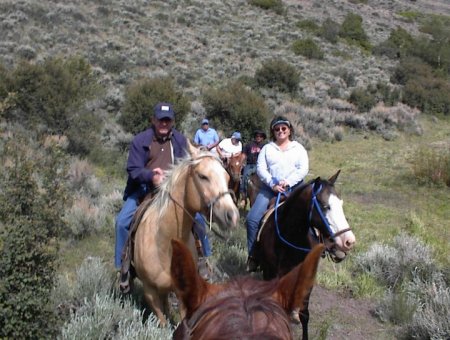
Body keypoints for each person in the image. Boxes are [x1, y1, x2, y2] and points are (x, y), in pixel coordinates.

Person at [115, 102, 187, 270]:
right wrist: (151, 176)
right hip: (144, 190)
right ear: (153, 120)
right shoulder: (141, 140)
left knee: (197, 220)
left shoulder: (180, 140)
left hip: (172, 191)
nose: (164, 124)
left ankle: (202, 260)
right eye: (161, 120)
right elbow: (133, 169)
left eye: (167, 120)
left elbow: (186, 166)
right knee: (121, 223)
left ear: (173, 122)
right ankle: (123, 266)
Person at [245, 116, 309, 272]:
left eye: (283, 128)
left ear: (289, 130)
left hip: (294, 188)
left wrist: (288, 182)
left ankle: (319, 250)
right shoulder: (267, 148)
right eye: (277, 129)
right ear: (273, 132)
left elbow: (303, 169)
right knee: (252, 220)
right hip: (269, 189)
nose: (280, 131)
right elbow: (261, 169)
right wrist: (272, 184)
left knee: (312, 216)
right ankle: (254, 256)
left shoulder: (298, 148)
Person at [239, 130, 267, 207]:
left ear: (263, 138)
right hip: (250, 165)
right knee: (245, 177)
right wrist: (240, 164)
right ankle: (243, 197)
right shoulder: (249, 145)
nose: (258, 137)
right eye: (257, 136)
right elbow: (244, 155)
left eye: (260, 136)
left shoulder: (265, 146)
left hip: (260, 166)